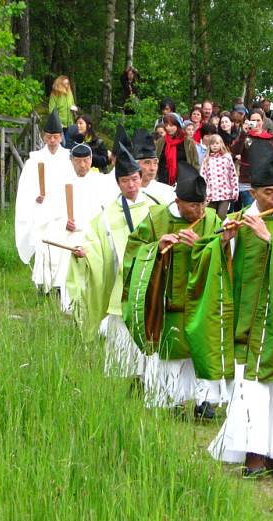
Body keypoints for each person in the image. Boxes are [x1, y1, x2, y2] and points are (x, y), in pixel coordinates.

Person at [207, 140, 273, 478]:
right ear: (253, 192)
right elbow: (212, 261)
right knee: (251, 387)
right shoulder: (239, 220)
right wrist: (223, 242)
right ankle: (253, 454)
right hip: (248, 323)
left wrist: (272, 240)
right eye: (269, 192)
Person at [123, 163, 229, 417]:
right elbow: (133, 250)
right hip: (167, 300)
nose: (200, 211)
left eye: (203, 204)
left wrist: (206, 246)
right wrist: (156, 247)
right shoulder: (157, 218)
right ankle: (170, 401)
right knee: (171, 351)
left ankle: (203, 401)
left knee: (200, 349)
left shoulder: (212, 219)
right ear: (179, 201)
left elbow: (223, 255)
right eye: (194, 206)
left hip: (200, 300)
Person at [66, 126, 153, 379]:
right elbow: (95, 243)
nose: (131, 185)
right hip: (121, 281)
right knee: (121, 329)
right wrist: (84, 253)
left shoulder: (155, 208)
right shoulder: (108, 214)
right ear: (118, 183)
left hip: (148, 283)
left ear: (140, 177)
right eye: (125, 181)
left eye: (134, 179)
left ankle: (148, 377)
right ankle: (123, 377)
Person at [14, 109, 75, 294]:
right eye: (49, 137)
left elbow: (72, 183)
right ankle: (42, 285)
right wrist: (36, 196)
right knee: (43, 247)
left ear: (60, 137)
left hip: (62, 210)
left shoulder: (68, 158)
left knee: (61, 249)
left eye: (56, 137)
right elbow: (26, 186)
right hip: (43, 209)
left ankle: (59, 286)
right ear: (44, 137)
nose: (52, 141)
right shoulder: (35, 159)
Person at [52, 140, 114, 311]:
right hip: (70, 234)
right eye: (78, 161)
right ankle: (68, 305)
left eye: (86, 160)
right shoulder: (62, 183)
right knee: (68, 270)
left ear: (91, 160)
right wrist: (64, 221)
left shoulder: (101, 182)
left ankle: (94, 304)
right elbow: (53, 210)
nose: (82, 165)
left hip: (93, 235)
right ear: (71, 161)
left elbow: (108, 209)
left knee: (94, 271)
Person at [231, 109, 273, 209]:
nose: (256, 123)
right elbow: (235, 151)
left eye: (258, 120)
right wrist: (243, 134)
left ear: (263, 121)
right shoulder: (245, 136)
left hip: (265, 181)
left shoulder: (270, 138)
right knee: (251, 210)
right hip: (247, 181)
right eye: (253, 120)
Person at [133, 127, 176, 204]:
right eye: (147, 163)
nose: (152, 168)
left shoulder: (167, 192)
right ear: (135, 165)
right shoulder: (126, 192)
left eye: (155, 163)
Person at [200, 134, 237, 219]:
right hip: (211, 194)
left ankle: (221, 231)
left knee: (221, 215)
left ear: (221, 144)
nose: (215, 146)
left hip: (225, 193)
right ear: (209, 146)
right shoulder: (207, 159)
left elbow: (232, 175)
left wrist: (235, 190)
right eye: (212, 144)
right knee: (210, 217)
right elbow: (203, 177)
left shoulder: (227, 157)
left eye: (217, 143)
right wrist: (203, 193)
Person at [155, 114, 199, 185]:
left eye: (171, 125)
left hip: (184, 181)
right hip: (163, 181)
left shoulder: (188, 142)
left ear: (178, 125)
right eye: (166, 125)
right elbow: (156, 160)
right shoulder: (160, 142)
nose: (168, 128)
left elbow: (195, 164)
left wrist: (194, 181)